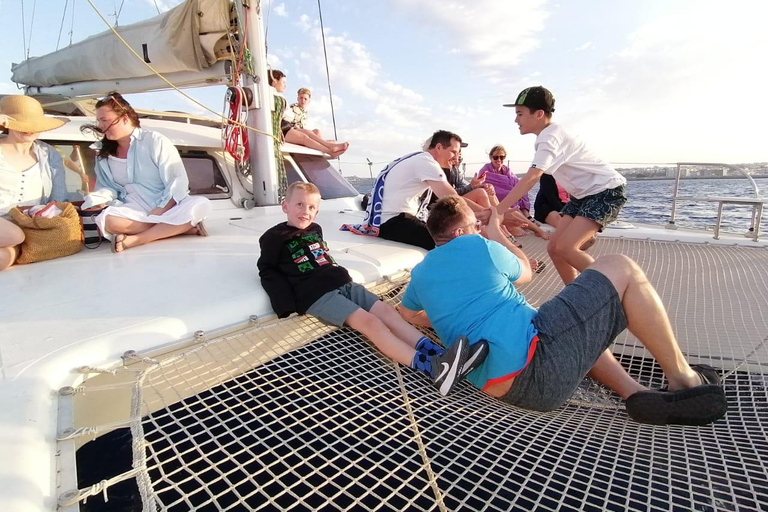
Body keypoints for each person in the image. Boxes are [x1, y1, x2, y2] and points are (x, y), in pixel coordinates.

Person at [399, 196, 727, 426]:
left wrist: (447, 314)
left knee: (573, 321)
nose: (479, 231)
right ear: (459, 232)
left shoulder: (421, 273)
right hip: (537, 365)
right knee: (621, 267)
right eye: (474, 226)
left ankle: (636, 394)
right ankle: (683, 377)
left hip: (502, 386)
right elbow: (526, 271)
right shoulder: (477, 245)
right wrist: (496, 232)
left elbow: (408, 314)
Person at [258, 182, 488, 396]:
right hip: (317, 295)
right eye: (299, 204)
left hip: (341, 282)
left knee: (388, 312)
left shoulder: (315, 229)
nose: (305, 211)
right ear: (285, 206)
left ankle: (438, 354)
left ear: (317, 212)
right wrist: (285, 305)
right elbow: (267, 269)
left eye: (311, 207)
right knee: (372, 323)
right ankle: (432, 368)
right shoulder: (272, 237)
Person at [496, 86, 627, 284]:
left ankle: (618, 291)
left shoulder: (551, 136)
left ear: (539, 114)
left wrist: (498, 210)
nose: (516, 120)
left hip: (605, 191)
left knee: (566, 247)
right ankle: (574, 295)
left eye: (520, 114)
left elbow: (532, 177)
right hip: (583, 196)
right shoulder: (548, 135)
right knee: (554, 248)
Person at [81, 92, 211, 253]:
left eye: (104, 120)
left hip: (164, 204)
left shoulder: (155, 141)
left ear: (125, 118)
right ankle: (179, 228)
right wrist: (96, 200)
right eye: (99, 121)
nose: (100, 126)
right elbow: (107, 187)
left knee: (201, 205)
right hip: (132, 207)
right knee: (108, 221)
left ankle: (139, 239)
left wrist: (162, 209)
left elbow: (177, 180)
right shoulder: (102, 152)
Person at [342, 130, 463, 250]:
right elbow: (453, 199)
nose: (457, 158)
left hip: (386, 220)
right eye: (453, 152)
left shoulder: (416, 158)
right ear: (439, 147)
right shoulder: (425, 162)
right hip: (392, 222)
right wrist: (477, 217)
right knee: (448, 243)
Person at [0, 95, 71, 270]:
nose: (29, 129)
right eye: (22, 124)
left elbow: (59, 199)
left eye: (34, 124)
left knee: (4, 258)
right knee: (14, 235)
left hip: (30, 230)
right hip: (12, 231)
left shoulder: (49, 155)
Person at [268, 71, 348, 158]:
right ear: (275, 81)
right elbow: (286, 116)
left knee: (309, 132)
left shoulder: (279, 97)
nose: (285, 85)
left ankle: (329, 145)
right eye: (283, 82)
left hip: (286, 126)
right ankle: (329, 150)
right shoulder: (275, 97)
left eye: (305, 99)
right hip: (281, 128)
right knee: (304, 137)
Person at [476, 145, 531, 216]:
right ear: (491, 157)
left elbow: (517, 183)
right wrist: (512, 191)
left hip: (512, 198)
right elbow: (483, 186)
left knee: (522, 190)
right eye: (496, 157)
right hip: (498, 200)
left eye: (502, 157)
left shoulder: (507, 170)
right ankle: (522, 218)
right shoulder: (485, 171)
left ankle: (526, 215)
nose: (499, 160)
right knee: (510, 194)